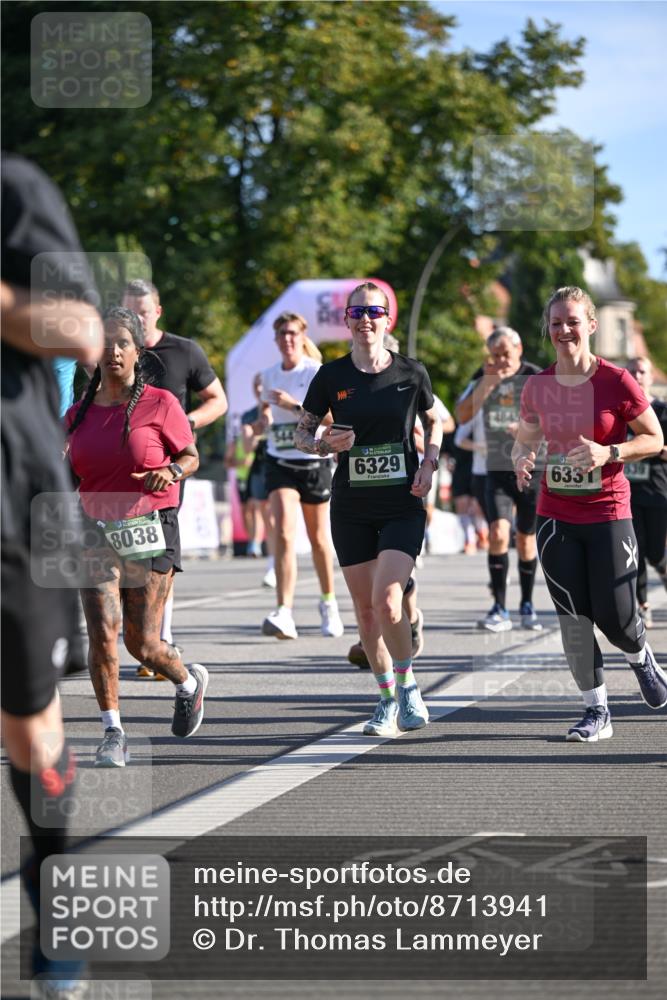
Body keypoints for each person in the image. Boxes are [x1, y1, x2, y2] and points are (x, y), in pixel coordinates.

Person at [2, 153, 104, 1000]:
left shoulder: (16, 189)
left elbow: (80, 333)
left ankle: (55, 889)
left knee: (29, 730)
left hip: (12, 508)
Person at [513, 286, 667, 742]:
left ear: (591, 326)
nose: (564, 330)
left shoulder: (616, 380)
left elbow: (654, 438)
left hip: (609, 510)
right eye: (556, 323)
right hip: (555, 513)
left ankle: (640, 656)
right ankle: (596, 710)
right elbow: (526, 435)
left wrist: (610, 451)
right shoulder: (538, 385)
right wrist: (523, 456)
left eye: (573, 321)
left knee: (617, 617)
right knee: (573, 617)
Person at [296, 282, 443, 736]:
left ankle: (408, 684)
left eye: (374, 312)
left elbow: (434, 419)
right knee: (364, 613)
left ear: (387, 320)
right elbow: (302, 434)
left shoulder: (411, 373)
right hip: (352, 506)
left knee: (388, 603)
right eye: (357, 312)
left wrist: (431, 463)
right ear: (347, 321)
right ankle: (385, 699)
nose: (365, 320)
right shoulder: (331, 377)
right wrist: (322, 444)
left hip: (402, 502)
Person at [66, 307, 208, 766]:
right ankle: (113, 732)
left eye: (121, 343)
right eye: (104, 343)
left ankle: (187, 684)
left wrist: (170, 470)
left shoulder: (161, 403)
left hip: (150, 528)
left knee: (141, 642)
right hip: (95, 530)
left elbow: (190, 457)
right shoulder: (76, 415)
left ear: (137, 350)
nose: (112, 351)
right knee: (103, 634)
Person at [122, 279, 227, 676]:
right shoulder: (113, 352)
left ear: (158, 312)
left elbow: (218, 400)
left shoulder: (184, 350)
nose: (135, 319)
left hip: (167, 471)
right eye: (128, 312)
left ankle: (159, 638)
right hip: (115, 470)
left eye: (142, 312)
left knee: (157, 553)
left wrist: (184, 423)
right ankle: (137, 637)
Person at [259, 311, 344, 640]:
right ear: (276, 339)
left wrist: (295, 406)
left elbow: (332, 422)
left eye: (293, 333)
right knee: (282, 532)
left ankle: (328, 603)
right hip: (280, 460)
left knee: (320, 540)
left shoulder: (315, 373)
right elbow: (266, 411)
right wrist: (262, 420)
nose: (287, 339)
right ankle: (284, 610)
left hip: (313, 462)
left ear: (302, 336)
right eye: (281, 333)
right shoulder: (267, 375)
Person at [456, 327, 542, 632]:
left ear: (519, 349)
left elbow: (558, 419)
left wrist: (526, 431)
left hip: (532, 469)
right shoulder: (484, 375)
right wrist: (488, 384)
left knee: (525, 539)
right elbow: (462, 416)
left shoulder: (536, 377)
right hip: (496, 469)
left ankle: (527, 604)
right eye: (495, 355)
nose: (501, 360)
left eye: (506, 354)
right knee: (497, 533)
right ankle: (499, 607)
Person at [626, 357, 667, 627]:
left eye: (642, 371)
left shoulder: (663, 410)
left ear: (650, 377)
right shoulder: (621, 409)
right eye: (632, 371)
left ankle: (663, 571)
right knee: (634, 550)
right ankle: (642, 605)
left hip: (658, 490)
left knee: (656, 552)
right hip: (627, 491)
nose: (637, 375)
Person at [241, 372, 276, 585]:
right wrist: (253, 434)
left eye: (264, 385)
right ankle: (272, 564)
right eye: (257, 386)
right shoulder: (248, 415)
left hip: (286, 467)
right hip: (261, 468)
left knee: (278, 519)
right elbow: (246, 449)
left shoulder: (283, 408)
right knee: (267, 514)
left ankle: (279, 561)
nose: (261, 389)